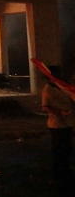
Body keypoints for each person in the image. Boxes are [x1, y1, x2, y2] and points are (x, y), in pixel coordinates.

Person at [41, 65, 75, 194]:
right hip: (57, 124)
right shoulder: (48, 89)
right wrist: (60, 112)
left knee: (67, 149)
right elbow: (45, 107)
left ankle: (65, 173)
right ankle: (57, 176)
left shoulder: (64, 87)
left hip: (68, 123)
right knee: (58, 150)